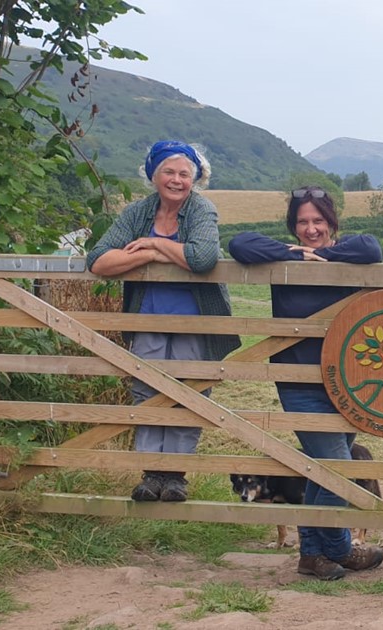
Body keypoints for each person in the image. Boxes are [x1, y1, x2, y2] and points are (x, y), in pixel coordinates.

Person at [227, 185, 383, 581]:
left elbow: (372, 249)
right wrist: (291, 253)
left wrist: (325, 255)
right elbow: (238, 243)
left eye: (318, 221)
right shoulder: (285, 257)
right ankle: (340, 549)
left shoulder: (346, 252)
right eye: (302, 222)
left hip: (350, 382)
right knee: (337, 469)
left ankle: (311, 556)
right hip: (299, 381)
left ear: (331, 222)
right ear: (292, 226)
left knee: (320, 469)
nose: (311, 230)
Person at [86, 140, 241, 503]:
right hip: (149, 316)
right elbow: (98, 261)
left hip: (196, 319)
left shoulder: (202, 209)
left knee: (188, 392)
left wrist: (153, 247)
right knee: (147, 391)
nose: (176, 180)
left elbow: (202, 258)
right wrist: (156, 255)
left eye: (184, 174)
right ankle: (151, 473)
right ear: (153, 175)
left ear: (195, 178)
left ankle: (175, 476)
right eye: (168, 172)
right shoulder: (139, 212)